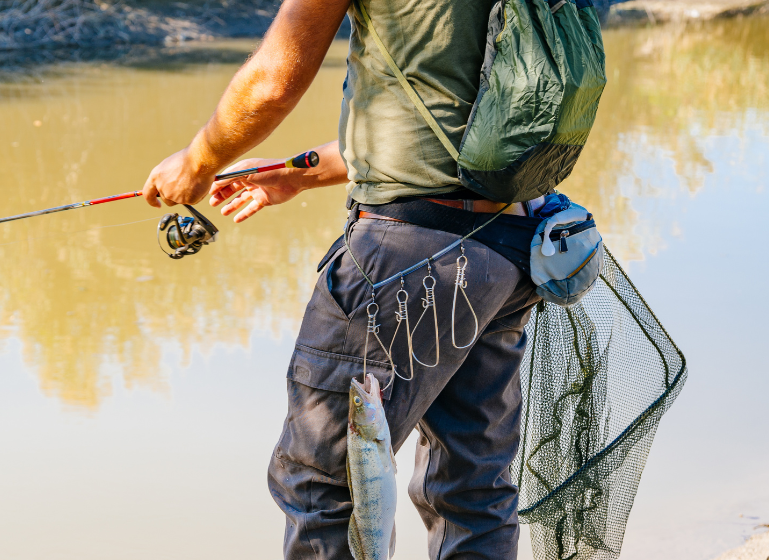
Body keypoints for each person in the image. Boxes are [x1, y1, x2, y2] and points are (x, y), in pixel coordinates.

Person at [142, 0, 547, 557]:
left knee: (320, 483)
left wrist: (199, 159)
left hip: (405, 255)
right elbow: (456, 116)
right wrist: (296, 175)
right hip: (508, 246)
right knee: (473, 490)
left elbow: (274, 81)